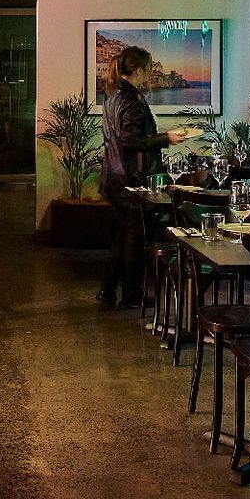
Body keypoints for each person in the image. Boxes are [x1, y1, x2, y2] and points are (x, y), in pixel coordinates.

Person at [98, 45, 194, 309]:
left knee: (122, 234)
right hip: (131, 178)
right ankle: (131, 295)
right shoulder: (132, 100)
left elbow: (118, 140)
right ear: (139, 70)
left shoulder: (114, 95)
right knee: (134, 237)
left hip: (114, 176)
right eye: (149, 68)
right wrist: (167, 138)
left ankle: (107, 291)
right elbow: (129, 140)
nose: (151, 73)